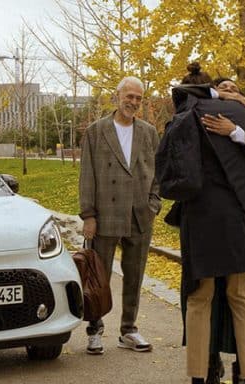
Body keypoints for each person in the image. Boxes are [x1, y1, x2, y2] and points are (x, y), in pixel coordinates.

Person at [163, 63, 245, 384]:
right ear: (215, 87)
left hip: (202, 219)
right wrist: (230, 104)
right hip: (243, 218)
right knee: (243, 299)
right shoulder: (242, 110)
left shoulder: (185, 113)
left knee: (200, 299)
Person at [79, 76, 161, 355]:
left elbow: (158, 173)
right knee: (98, 277)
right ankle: (95, 329)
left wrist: (153, 205)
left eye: (138, 98)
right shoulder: (96, 130)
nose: (133, 102)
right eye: (129, 96)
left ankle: (129, 329)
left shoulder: (149, 132)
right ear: (117, 96)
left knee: (134, 275)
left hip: (140, 215)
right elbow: (87, 175)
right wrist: (88, 215)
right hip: (105, 214)